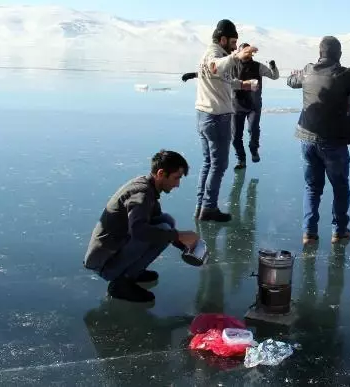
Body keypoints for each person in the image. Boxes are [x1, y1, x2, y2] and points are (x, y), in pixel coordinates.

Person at [287, 36, 350, 245]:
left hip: (307, 140)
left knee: (312, 187)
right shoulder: (346, 75)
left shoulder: (307, 70)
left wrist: (295, 74)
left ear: (319, 53)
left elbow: (290, 81)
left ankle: (309, 233)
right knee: (340, 187)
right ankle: (340, 231)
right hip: (333, 143)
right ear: (339, 55)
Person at [84, 150, 201, 303]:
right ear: (161, 173)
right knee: (164, 230)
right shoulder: (142, 195)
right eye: (176, 178)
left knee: (166, 221)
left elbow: (155, 222)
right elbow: (139, 231)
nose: (177, 184)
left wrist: (186, 246)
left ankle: (133, 271)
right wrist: (178, 235)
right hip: (105, 263)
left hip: (115, 249)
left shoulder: (148, 186)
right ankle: (121, 282)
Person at [194, 19, 258, 222]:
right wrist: (237, 55)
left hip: (205, 115)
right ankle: (209, 208)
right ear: (222, 39)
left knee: (208, 163)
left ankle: (200, 206)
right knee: (218, 165)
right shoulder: (214, 55)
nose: (234, 46)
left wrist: (244, 85)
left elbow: (222, 79)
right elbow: (215, 68)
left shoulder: (216, 54)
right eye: (232, 42)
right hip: (216, 117)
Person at [231, 42, 280, 169]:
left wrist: (273, 67)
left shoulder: (258, 66)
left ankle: (254, 150)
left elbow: (274, 76)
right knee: (236, 136)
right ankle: (241, 159)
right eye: (244, 52)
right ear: (239, 53)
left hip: (254, 106)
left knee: (253, 129)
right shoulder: (232, 66)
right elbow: (221, 78)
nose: (246, 55)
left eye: (248, 53)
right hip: (237, 105)